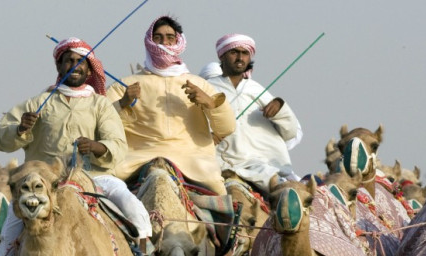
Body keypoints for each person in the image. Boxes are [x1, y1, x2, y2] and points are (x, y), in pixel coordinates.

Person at [0, 37, 155, 256]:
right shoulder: (37, 103)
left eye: (81, 61)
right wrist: (20, 128)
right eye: (69, 60)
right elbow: (1, 139)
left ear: (90, 70)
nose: (75, 65)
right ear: (59, 66)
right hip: (45, 181)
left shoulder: (100, 105)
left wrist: (96, 146)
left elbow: (117, 143)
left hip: (94, 177)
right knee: (13, 223)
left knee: (133, 208)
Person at [105, 15, 236, 195]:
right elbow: (100, 125)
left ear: (178, 41)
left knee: (222, 198)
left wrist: (210, 103)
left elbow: (227, 128)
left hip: (192, 161)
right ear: (149, 42)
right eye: (158, 38)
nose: (164, 43)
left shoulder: (200, 84)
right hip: (136, 160)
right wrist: (122, 103)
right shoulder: (124, 85)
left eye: (170, 38)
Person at [199, 34, 302, 194]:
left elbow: (291, 133)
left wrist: (279, 108)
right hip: (217, 164)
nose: (240, 58)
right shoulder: (207, 89)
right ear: (222, 56)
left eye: (244, 53)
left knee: (287, 196)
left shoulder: (256, 89)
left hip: (260, 166)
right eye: (234, 52)